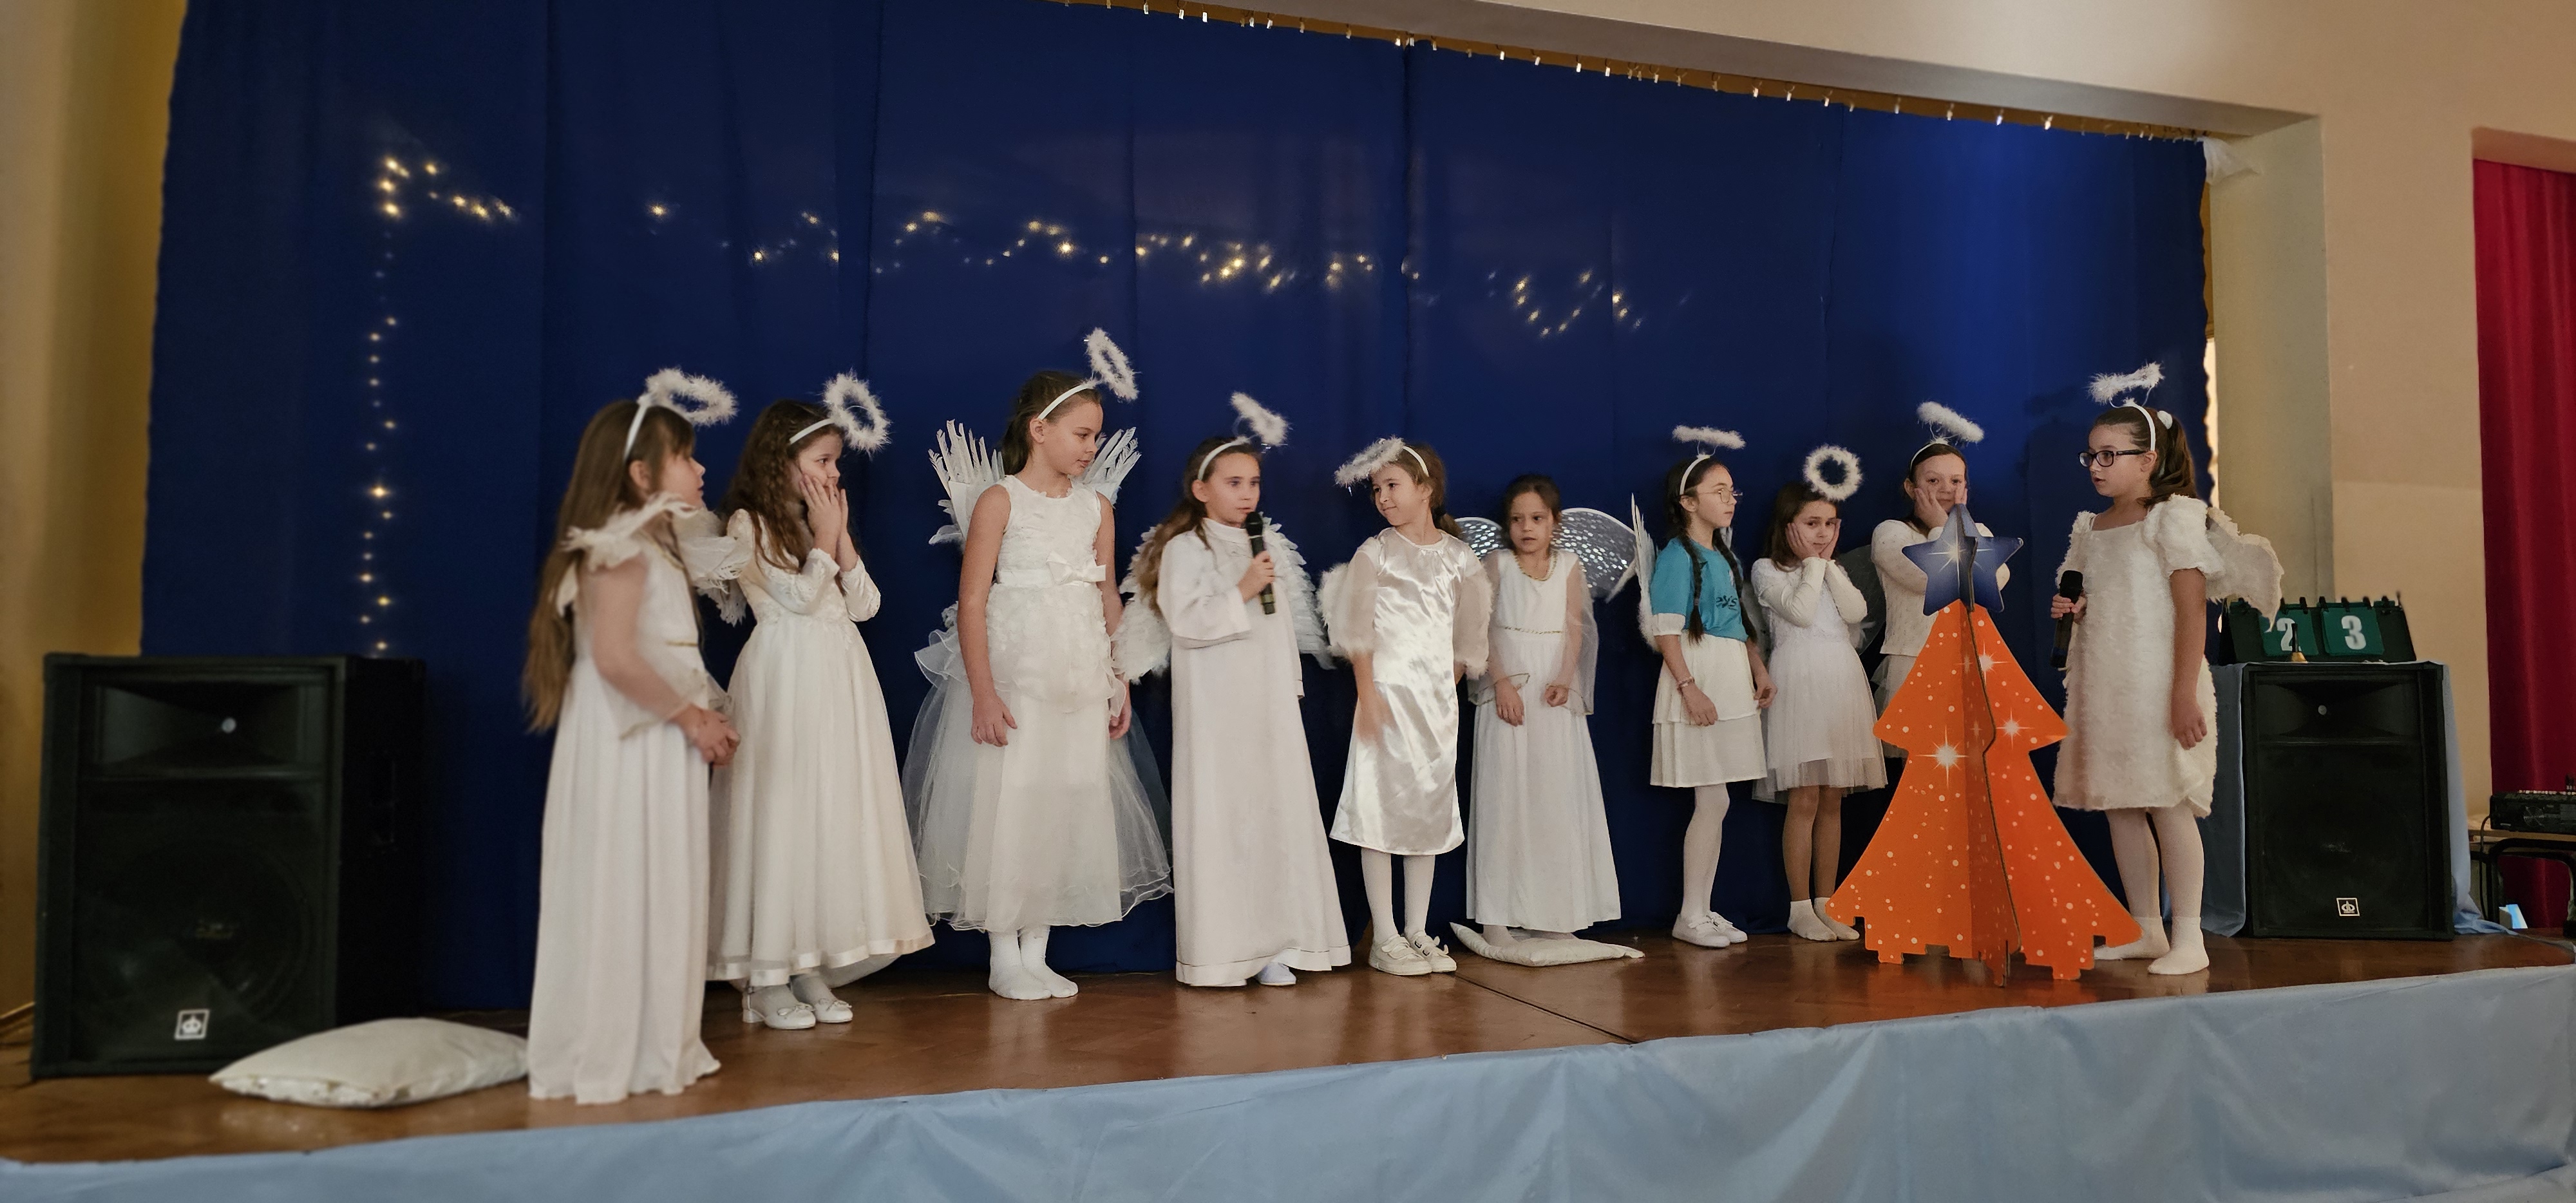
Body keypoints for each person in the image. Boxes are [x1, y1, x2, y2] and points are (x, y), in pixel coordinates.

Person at [905, 367, 1170, 1000]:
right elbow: (973, 601)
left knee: (1064, 800)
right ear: (1039, 430)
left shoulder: (1096, 508)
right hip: (1017, 675)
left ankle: (1037, 951)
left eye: (1096, 436)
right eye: (1081, 434)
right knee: (1013, 801)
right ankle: (1004, 954)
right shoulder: (1000, 501)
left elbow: (1107, 598)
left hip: (1078, 676)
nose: (1090, 447)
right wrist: (984, 691)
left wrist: (1118, 678)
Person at [522, 390, 737, 1103]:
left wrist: (701, 715)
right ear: (642, 474)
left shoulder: (649, 546)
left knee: (657, 881)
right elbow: (615, 657)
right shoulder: (619, 547)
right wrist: (691, 718)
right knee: (624, 878)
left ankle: (655, 1040)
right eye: (685, 456)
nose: (700, 469)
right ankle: (614, 1044)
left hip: (653, 737)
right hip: (632, 741)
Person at [703, 392, 931, 1030]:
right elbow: (800, 599)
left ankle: (809, 964)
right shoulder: (748, 523)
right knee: (783, 815)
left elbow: (865, 604)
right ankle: (766, 975)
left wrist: (838, 534)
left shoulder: (819, 521)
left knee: (826, 815)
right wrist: (826, 538)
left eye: (836, 463)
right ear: (782, 459)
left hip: (838, 675)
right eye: (822, 461)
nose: (833, 474)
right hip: (786, 675)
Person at [1117, 421, 1347, 987]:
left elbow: (1280, 626)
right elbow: (1187, 622)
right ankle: (1224, 952)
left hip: (1266, 702)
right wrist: (1241, 589)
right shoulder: (1183, 549)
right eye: (1234, 482)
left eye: (1254, 483)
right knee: (1226, 817)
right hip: (1217, 708)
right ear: (1201, 489)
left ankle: (1276, 943)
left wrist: (1288, 684)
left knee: (1271, 815)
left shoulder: (1262, 544)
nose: (1248, 494)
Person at [1320, 438, 1490, 977]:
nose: (1383, 498)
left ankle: (1417, 928)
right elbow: (1357, 635)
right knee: (1379, 811)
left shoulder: (1460, 559)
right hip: (1385, 702)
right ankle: (1385, 935)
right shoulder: (1375, 554)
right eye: (1377, 489)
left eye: (1392, 486)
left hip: (1435, 708)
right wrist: (1369, 697)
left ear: (1426, 489)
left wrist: (1443, 689)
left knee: (1427, 814)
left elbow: (1468, 639)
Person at [1466, 475, 1619, 949]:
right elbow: (1481, 627)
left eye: (1536, 518)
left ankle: (1553, 911)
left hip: (1553, 694)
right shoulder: (1496, 564)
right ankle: (1496, 915)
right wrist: (1501, 682)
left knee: (1555, 800)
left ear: (1555, 522)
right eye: (1517, 519)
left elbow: (1575, 628)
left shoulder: (1569, 566)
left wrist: (1565, 679)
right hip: (1508, 693)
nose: (1527, 528)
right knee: (1503, 799)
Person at [1649, 438, 1774, 949]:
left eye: (1732, 491)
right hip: (1698, 676)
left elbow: (1736, 624)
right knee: (1710, 800)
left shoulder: (1723, 556)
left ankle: (1701, 907)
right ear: (1688, 501)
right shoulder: (1677, 556)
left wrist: (1758, 669)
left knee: (1718, 800)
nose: (1730, 500)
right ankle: (1690, 914)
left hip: (1728, 675)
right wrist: (1689, 688)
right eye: (1718, 491)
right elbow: (1666, 631)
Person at [1750, 478, 1883, 942]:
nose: (1823, 533)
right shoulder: (1767, 570)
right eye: (1812, 523)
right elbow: (1801, 613)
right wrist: (1812, 565)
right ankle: (1799, 907)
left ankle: (1828, 902)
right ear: (1788, 526)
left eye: (1830, 524)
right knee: (1805, 797)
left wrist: (1827, 568)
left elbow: (1855, 611)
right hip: (1800, 684)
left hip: (1840, 682)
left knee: (1832, 799)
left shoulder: (1831, 569)